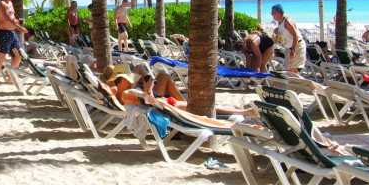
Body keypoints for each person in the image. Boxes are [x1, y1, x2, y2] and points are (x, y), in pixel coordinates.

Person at [100, 64, 254, 116]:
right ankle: (244, 112)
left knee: (197, 105)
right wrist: (148, 90)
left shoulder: (121, 93)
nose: (130, 81)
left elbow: (144, 101)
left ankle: (236, 108)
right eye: (128, 79)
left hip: (162, 103)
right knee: (200, 107)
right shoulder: (126, 94)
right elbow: (148, 101)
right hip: (164, 106)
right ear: (122, 79)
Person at [0, 0, 29, 85]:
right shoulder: (2, 4)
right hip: (3, 32)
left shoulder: (10, 3)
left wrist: (19, 21)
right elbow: (7, 18)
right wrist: (19, 27)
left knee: (18, 55)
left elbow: (12, 19)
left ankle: (10, 78)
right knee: (1, 56)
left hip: (12, 33)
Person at [271, 3, 306, 73]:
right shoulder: (280, 22)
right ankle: (293, 80)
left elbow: (295, 36)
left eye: (272, 13)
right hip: (289, 47)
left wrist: (293, 51)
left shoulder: (287, 21)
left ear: (277, 13)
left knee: (293, 69)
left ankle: (297, 80)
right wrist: (275, 34)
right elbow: (281, 36)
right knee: (288, 70)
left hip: (297, 46)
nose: (272, 15)